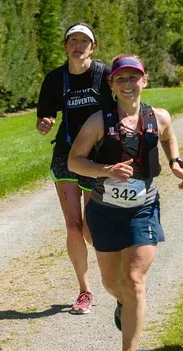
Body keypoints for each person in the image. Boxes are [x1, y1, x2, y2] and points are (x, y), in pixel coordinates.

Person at [68, 55, 183, 351]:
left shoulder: (158, 117)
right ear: (112, 85)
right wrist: (106, 170)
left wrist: (175, 162)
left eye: (133, 77)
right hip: (105, 212)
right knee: (113, 283)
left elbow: (168, 137)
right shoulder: (97, 121)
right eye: (121, 78)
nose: (127, 83)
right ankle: (121, 302)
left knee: (134, 279)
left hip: (143, 209)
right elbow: (75, 161)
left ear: (144, 81)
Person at [36, 23, 114, 315]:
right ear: (66, 46)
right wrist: (44, 123)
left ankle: (113, 277)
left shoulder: (105, 75)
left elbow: (121, 107)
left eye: (84, 41)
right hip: (66, 155)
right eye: (73, 40)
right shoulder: (55, 79)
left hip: (97, 157)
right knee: (72, 225)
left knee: (92, 229)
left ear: (93, 48)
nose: (78, 45)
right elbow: (45, 114)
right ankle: (85, 290)